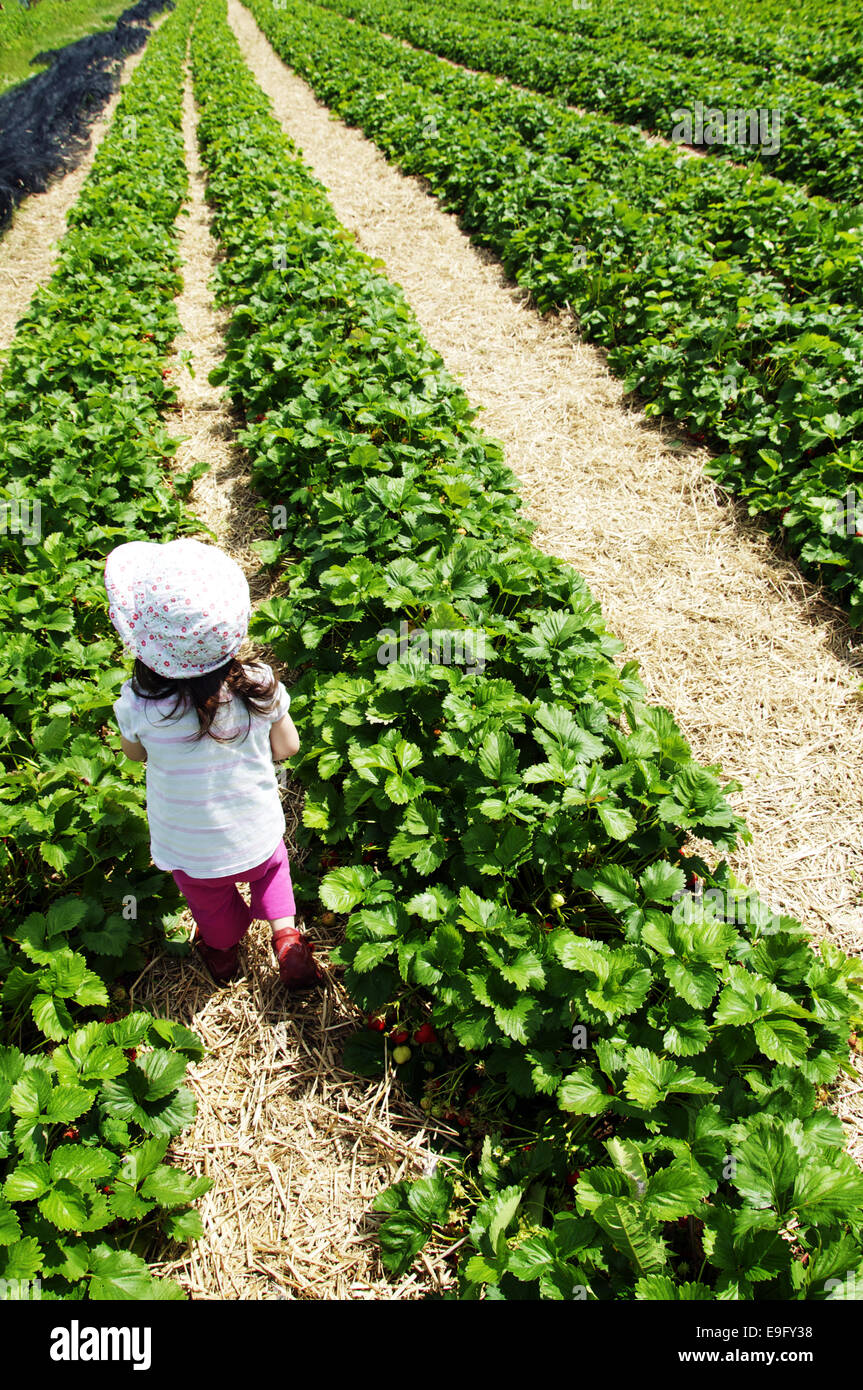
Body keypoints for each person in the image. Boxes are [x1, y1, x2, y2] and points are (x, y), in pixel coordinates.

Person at [104, 536, 321, 990]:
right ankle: (286, 939)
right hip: (255, 835)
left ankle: (223, 954)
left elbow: (134, 755)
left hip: (190, 851)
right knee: (274, 867)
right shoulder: (260, 687)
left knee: (210, 903)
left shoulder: (139, 706)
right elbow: (288, 749)